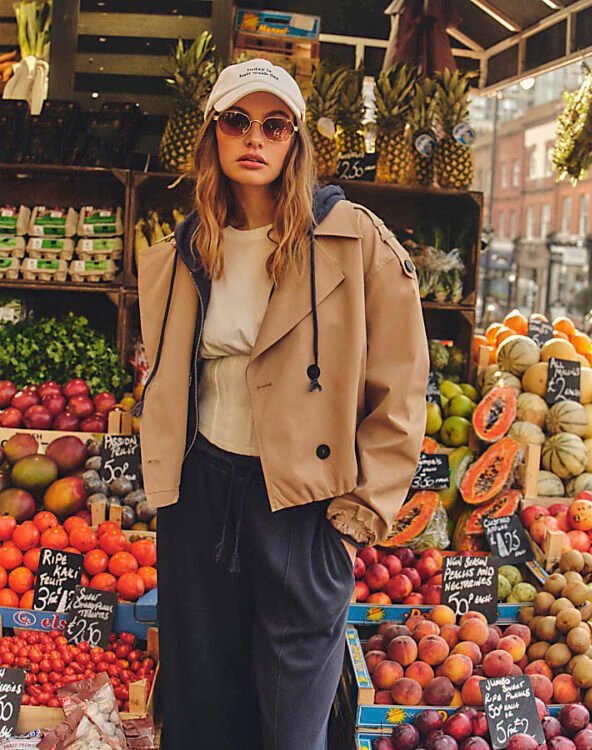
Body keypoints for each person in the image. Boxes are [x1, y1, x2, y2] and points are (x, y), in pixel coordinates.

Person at [137, 58, 428, 750]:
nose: (254, 137)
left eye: (275, 124)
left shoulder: (352, 238)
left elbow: (404, 382)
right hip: (202, 497)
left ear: (296, 140)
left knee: (289, 722)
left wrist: (358, 514)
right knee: (202, 708)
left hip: (305, 508)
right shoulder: (186, 248)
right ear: (213, 134)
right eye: (237, 120)